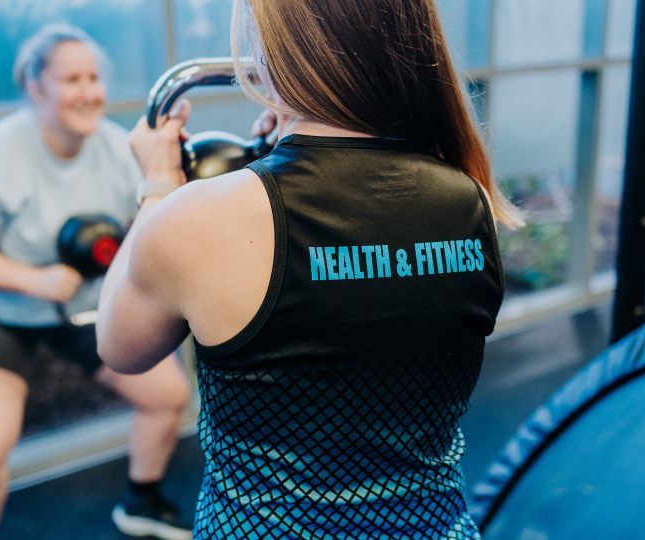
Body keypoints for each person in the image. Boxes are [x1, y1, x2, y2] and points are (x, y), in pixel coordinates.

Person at [97, 0, 520, 537]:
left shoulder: (197, 220)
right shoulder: (472, 199)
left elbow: (119, 347)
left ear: (269, 51)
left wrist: (157, 187)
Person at [0, 24, 192, 540]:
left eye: (95, 78)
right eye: (72, 79)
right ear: (36, 87)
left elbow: (154, 217)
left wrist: (174, 160)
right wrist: (33, 280)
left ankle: (141, 503)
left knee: (167, 396)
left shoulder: (121, 150)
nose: (90, 92)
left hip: (78, 300)